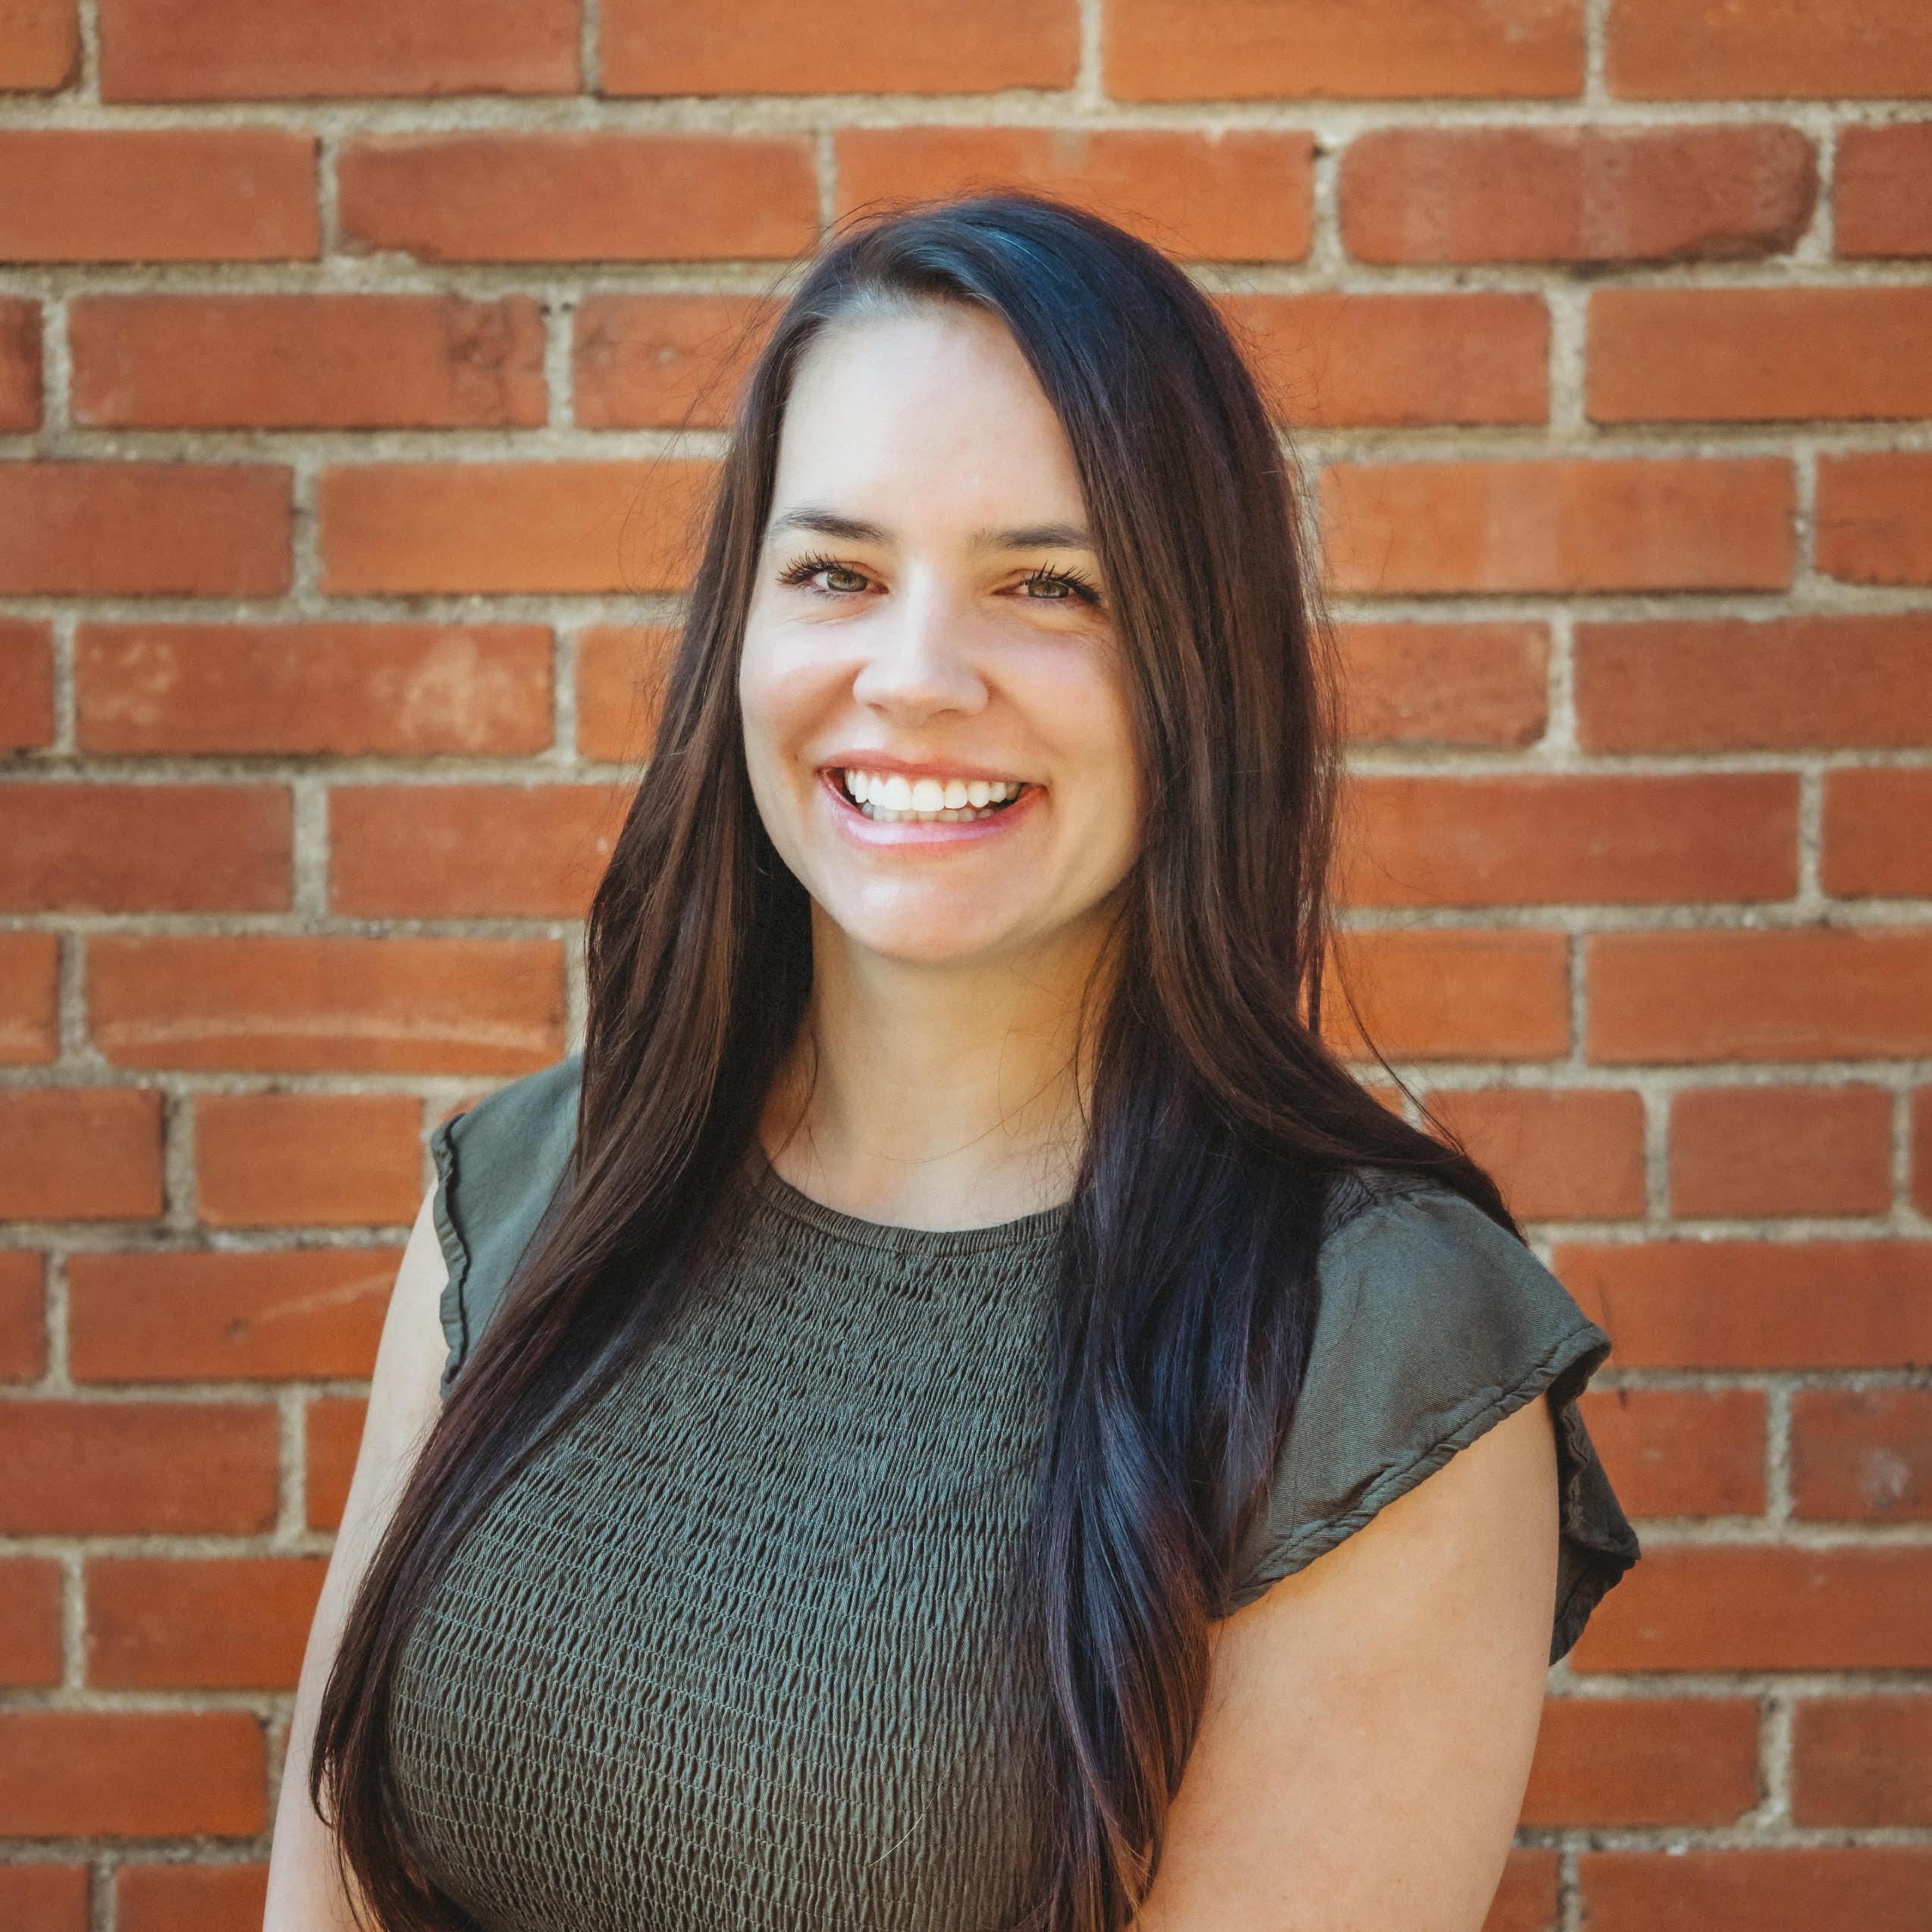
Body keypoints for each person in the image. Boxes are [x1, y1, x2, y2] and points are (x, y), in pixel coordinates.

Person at [265, 191, 1640, 1932]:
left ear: (1197, 666)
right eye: (836, 573)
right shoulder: (523, 1194)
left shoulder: (1366, 1349)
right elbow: (324, 1885)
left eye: (1045, 584)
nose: (911, 677)